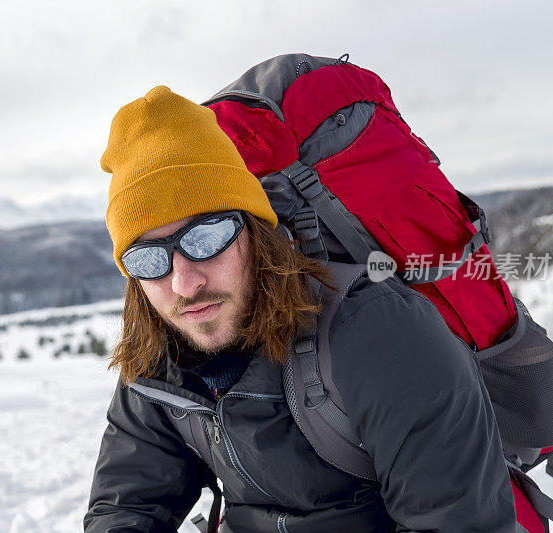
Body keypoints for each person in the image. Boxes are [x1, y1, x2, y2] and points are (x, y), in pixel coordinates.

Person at [84, 85, 516, 532]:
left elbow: (458, 522)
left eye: (206, 237)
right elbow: (126, 506)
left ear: (255, 232)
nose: (184, 283)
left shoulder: (377, 333)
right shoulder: (159, 360)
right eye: (148, 259)